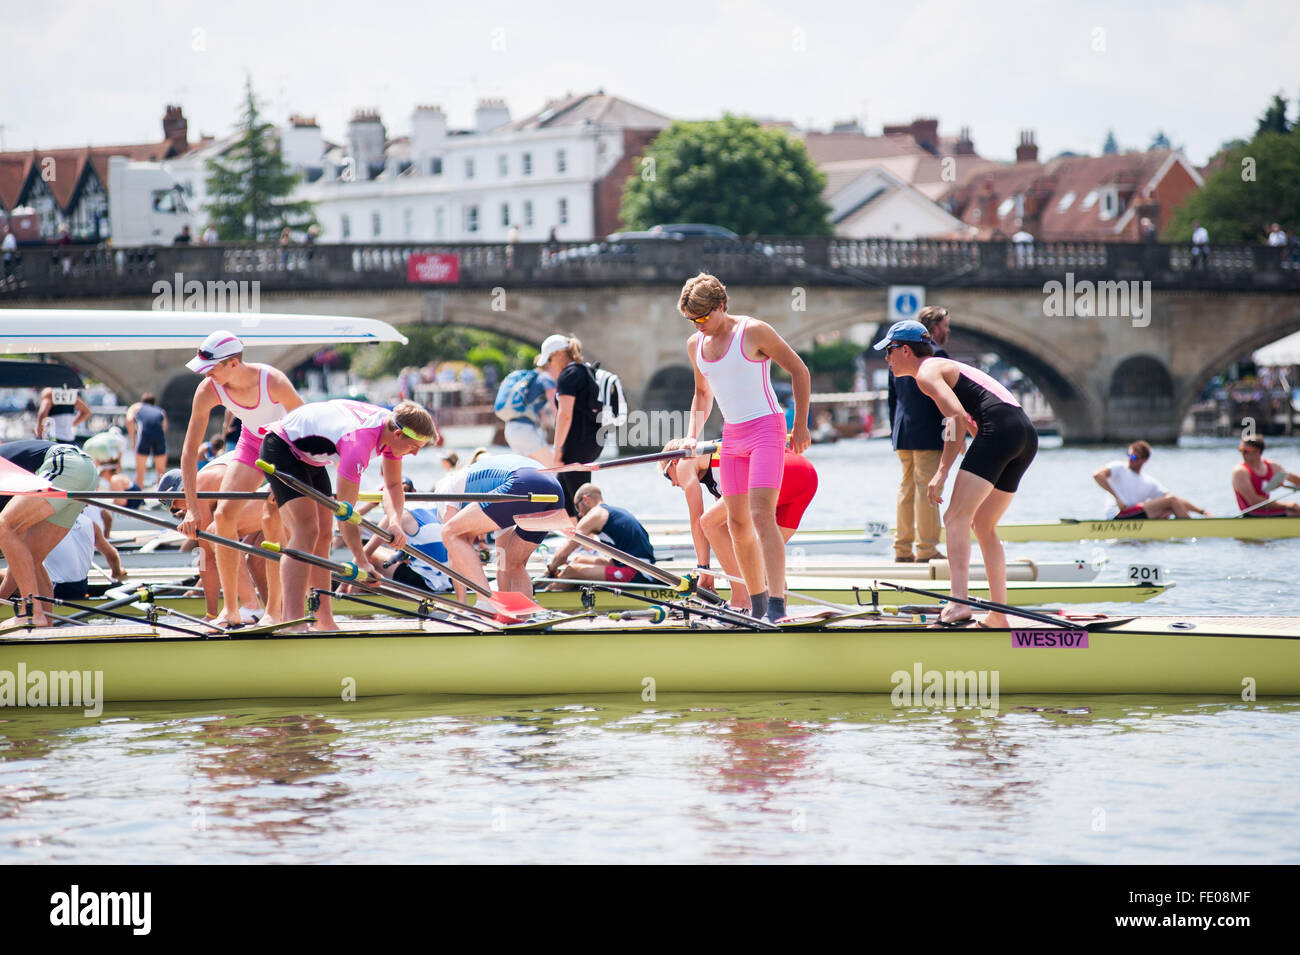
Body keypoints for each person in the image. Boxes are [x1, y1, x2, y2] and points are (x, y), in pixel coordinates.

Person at [878, 320, 1037, 629]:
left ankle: (958, 604)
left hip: (1001, 430)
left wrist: (941, 473)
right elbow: (967, 420)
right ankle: (999, 615)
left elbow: (955, 418)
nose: (886, 359)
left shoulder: (926, 373)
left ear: (906, 350)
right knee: (983, 524)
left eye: (889, 351)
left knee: (954, 518)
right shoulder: (942, 366)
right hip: (1024, 434)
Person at [679, 272, 811, 623]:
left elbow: (799, 370)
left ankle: (778, 607)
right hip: (733, 436)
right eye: (692, 321)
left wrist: (800, 426)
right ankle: (756, 606)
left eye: (704, 318)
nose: (699, 326)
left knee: (760, 516)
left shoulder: (753, 331)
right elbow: (703, 394)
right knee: (737, 525)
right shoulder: (696, 345)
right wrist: (692, 434)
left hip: (767, 428)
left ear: (722, 305)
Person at [261, 399, 435, 630]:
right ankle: (291, 621)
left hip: (312, 457)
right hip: (281, 448)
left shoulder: (393, 429)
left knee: (324, 535)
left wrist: (394, 523)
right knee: (306, 531)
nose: (414, 454)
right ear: (398, 434)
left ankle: (324, 620)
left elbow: (393, 485)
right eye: (414, 447)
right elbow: (346, 514)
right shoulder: (358, 446)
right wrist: (361, 561)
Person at [176, 331, 304, 628]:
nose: (207, 374)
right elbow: (188, 452)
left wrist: (292, 480)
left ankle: (275, 610)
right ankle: (232, 610)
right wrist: (193, 509)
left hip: (287, 445)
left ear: (233, 363)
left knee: (272, 517)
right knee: (222, 516)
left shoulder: (273, 381)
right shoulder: (209, 389)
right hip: (251, 441)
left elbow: (308, 429)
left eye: (212, 368)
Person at [660, 440, 818, 610]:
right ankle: (776, 616)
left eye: (667, 475)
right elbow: (732, 533)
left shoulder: (685, 459)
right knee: (760, 555)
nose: (673, 483)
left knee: (708, 522)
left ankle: (740, 599)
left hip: (778, 471)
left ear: (673, 462)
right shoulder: (718, 482)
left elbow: (697, 520)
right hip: (805, 475)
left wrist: (704, 569)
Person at [436, 452, 566, 600]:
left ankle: (483, 603)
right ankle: (519, 614)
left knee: (450, 533)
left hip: (523, 481)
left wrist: (462, 606)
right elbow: (502, 562)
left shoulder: (446, 490)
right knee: (512, 563)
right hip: (555, 489)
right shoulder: (492, 495)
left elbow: (456, 549)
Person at [0, 440, 98, 629]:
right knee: (32, 557)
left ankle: (31, 612)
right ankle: (45, 624)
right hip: (83, 472)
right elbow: (22, 561)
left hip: (66, 462)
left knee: (3, 525)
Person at [887, 305, 951, 563]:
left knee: (907, 489)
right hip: (927, 430)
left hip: (903, 430)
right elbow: (945, 399)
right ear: (933, 329)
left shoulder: (898, 355)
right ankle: (926, 549)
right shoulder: (938, 356)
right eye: (945, 325)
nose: (948, 330)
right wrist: (954, 434)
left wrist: (895, 429)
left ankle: (902, 549)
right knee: (928, 489)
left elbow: (892, 399)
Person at [162, 464, 266, 622]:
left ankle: (252, 607)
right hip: (270, 493)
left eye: (176, 507)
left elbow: (207, 559)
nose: (180, 512)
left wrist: (210, 615)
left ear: (182, 491)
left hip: (269, 495)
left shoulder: (198, 487)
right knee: (255, 561)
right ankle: (275, 612)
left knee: (215, 533)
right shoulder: (207, 478)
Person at [544, 483, 657, 588]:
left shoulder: (596, 514)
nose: (579, 514)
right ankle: (557, 590)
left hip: (638, 572)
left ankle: (545, 599)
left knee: (572, 571)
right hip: (636, 565)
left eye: (577, 507)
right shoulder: (614, 511)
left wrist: (551, 569)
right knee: (578, 560)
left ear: (585, 499)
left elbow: (565, 550)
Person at [536, 334, 601, 514]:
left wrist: (557, 449)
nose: (550, 364)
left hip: (575, 445)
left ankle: (590, 538)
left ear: (558, 354)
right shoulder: (584, 370)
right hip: (590, 441)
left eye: (549, 359)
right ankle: (578, 539)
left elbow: (564, 415)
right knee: (565, 501)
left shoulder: (568, 375)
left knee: (581, 503)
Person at [1093, 441, 1209, 519]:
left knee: (1171, 505)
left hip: (1135, 514)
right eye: (1129, 455)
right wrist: (1118, 498)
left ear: (1144, 460)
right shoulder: (1118, 467)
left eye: (1134, 457)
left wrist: (1201, 512)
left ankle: (1186, 531)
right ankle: (1190, 530)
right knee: (1171, 501)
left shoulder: (1148, 481)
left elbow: (1175, 499)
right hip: (1118, 514)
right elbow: (1097, 475)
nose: (1130, 459)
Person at [42, 502, 124, 600]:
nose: (87, 505)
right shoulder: (92, 524)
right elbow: (112, 556)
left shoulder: (44, 524)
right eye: (84, 502)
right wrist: (117, 574)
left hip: (55, 589)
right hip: (80, 587)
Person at [496, 359, 557, 467]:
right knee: (553, 469)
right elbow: (555, 406)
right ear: (550, 365)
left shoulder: (530, 378)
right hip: (525, 431)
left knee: (531, 470)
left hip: (511, 429)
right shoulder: (546, 377)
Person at [1232, 437, 1300, 517]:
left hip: (1268, 509)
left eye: (1245, 450)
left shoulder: (1272, 466)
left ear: (1257, 451)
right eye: (1240, 450)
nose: (1242, 453)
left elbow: (1296, 480)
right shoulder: (1240, 471)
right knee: (1295, 512)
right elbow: (1254, 501)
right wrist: (1287, 505)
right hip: (1251, 512)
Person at [126, 392, 167, 487]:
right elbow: (164, 427)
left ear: (142, 402)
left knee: (140, 471)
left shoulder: (136, 407)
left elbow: (129, 419)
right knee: (161, 471)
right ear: (154, 403)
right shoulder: (161, 411)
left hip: (144, 435)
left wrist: (133, 440)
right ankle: (163, 498)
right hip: (159, 436)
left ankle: (138, 498)